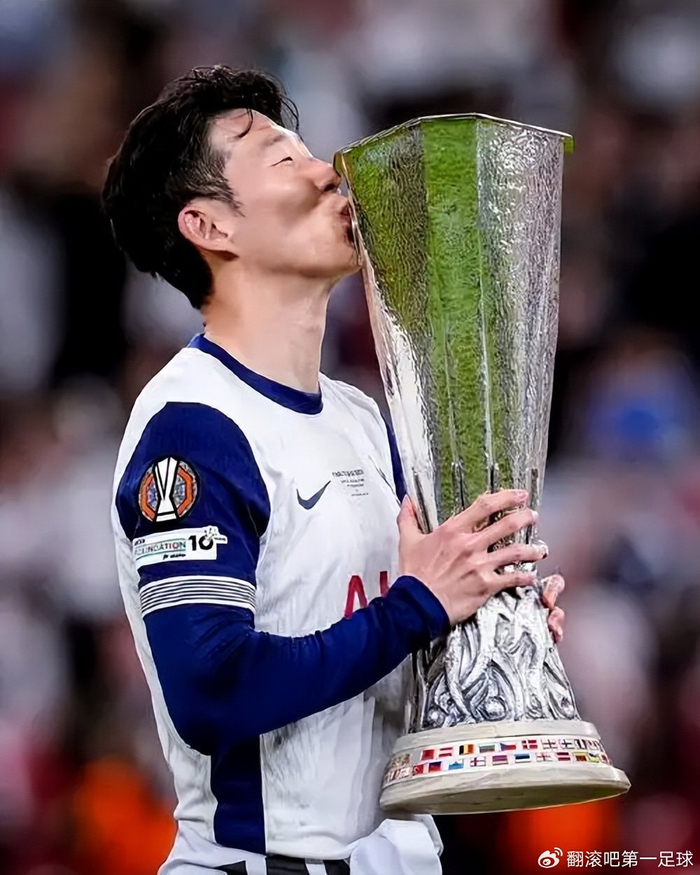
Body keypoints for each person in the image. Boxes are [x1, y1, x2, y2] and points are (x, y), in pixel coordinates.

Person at [104, 66, 565, 875]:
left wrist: (486, 628)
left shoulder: (361, 417)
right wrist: (418, 607)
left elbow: (385, 646)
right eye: (284, 158)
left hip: (402, 853)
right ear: (209, 225)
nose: (330, 171)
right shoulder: (195, 426)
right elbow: (211, 690)